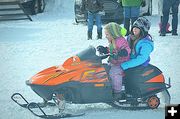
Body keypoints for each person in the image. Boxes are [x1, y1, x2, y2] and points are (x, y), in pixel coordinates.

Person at [97, 22, 131, 100]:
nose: (106, 36)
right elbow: (111, 49)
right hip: (114, 62)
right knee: (104, 70)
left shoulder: (120, 40)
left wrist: (123, 52)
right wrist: (105, 49)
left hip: (122, 63)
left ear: (113, 33)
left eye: (107, 34)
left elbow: (127, 49)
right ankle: (108, 88)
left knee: (114, 73)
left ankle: (117, 92)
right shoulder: (112, 41)